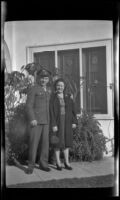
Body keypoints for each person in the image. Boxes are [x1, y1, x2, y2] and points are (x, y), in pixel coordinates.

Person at [26, 68, 51, 174]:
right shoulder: (33, 89)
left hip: (47, 121)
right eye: (42, 78)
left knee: (45, 144)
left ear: (48, 79)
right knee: (34, 144)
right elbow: (28, 106)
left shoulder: (49, 90)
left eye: (45, 78)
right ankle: (31, 166)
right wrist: (32, 118)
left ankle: (43, 164)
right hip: (36, 121)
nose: (43, 80)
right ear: (38, 78)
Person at [49, 78, 78, 170]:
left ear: (64, 87)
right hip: (57, 122)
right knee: (57, 142)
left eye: (61, 85)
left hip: (67, 121)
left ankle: (67, 162)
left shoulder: (68, 97)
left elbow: (73, 111)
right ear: (55, 86)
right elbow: (51, 112)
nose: (60, 87)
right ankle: (58, 162)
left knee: (67, 142)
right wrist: (53, 124)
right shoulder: (52, 97)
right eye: (58, 85)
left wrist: (74, 121)